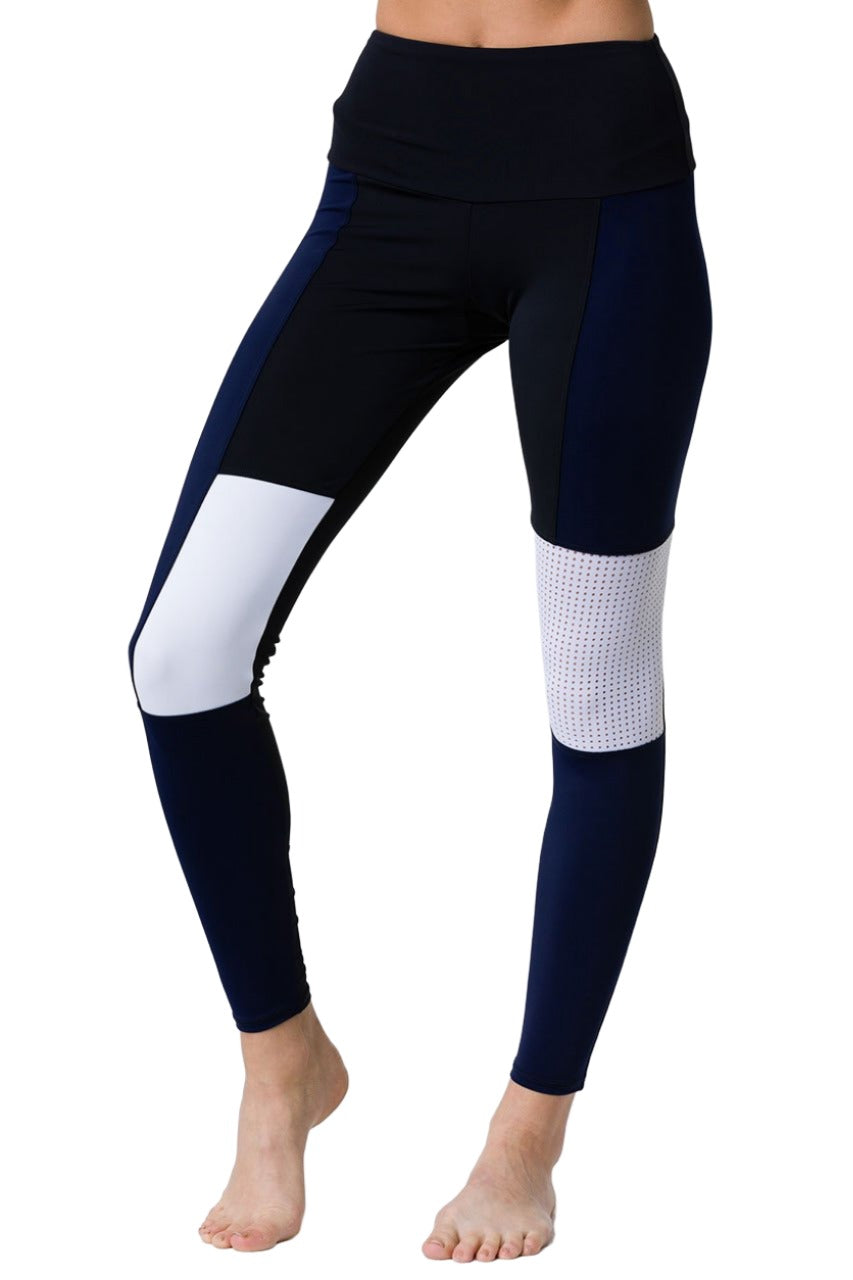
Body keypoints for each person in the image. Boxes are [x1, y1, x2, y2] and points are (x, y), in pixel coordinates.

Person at [127, 0, 712, 1260]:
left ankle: (526, 1134)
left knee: (600, 685)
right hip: (397, 153)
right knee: (180, 656)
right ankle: (283, 1059)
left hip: (603, 173)